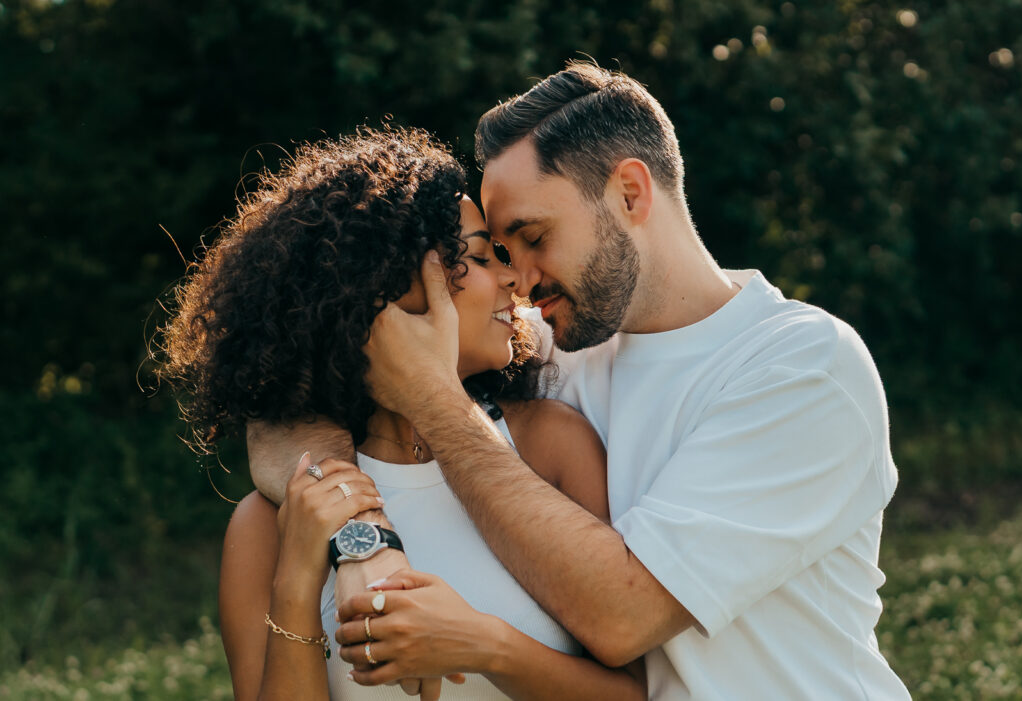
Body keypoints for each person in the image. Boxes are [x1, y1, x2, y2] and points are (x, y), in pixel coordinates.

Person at [254, 63, 912, 699]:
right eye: (501, 251)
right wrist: (365, 540)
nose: (520, 278)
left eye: (534, 236)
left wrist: (433, 399)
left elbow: (622, 616)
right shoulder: (559, 342)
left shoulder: (801, 367)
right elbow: (282, 414)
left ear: (630, 193)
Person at [157, 128, 644, 700]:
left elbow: (635, 694)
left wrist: (480, 645)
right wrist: (297, 582)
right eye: (480, 257)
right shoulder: (271, 519)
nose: (513, 279)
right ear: (389, 287)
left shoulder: (551, 445)